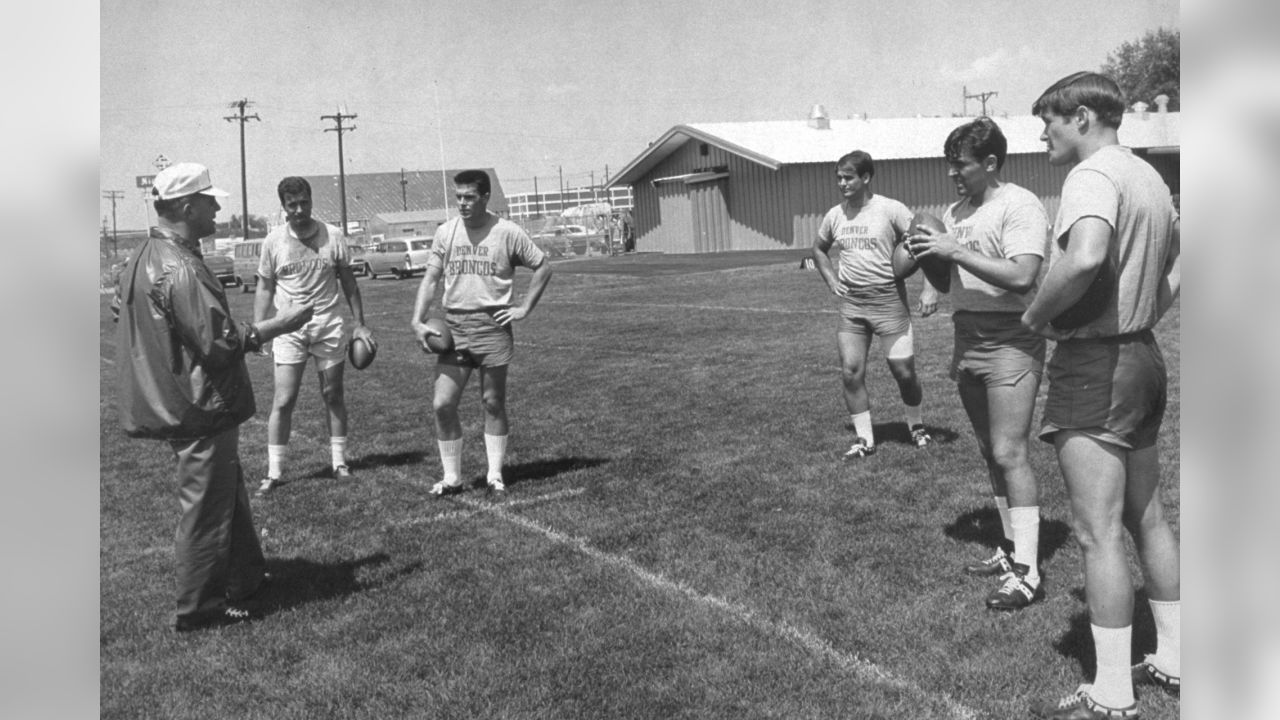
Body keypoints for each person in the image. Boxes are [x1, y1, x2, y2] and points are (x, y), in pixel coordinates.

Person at [1021, 72, 1181, 719]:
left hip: (1097, 362)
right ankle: (1175, 655)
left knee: (1096, 533)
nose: (1043, 134)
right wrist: (1142, 312)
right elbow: (1178, 268)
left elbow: (1085, 257)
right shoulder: (1150, 179)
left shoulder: (1092, 176)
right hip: (1142, 353)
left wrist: (1034, 317)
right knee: (1148, 517)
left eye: (1049, 122)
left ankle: (1112, 690)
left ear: (1082, 116)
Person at [113, 162, 313, 631]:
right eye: (209, 201)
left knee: (226, 493)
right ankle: (199, 610)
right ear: (186, 206)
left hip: (178, 400)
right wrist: (279, 324)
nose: (218, 208)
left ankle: (245, 578)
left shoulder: (145, 254)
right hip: (196, 406)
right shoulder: (180, 265)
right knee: (204, 510)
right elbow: (218, 343)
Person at [906, 117, 1050, 611]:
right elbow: (946, 280)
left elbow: (1023, 276)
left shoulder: (1019, 204)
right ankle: (1012, 549)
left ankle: (1029, 572)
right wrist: (927, 256)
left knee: (1011, 452)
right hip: (967, 336)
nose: (953, 174)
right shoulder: (955, 210)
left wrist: (953, 248)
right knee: (990, 450)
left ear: (989, 163)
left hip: (1013, 338)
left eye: (960, 165)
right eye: (949, 165)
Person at [411, 170, 553, 495]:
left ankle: (494, 474)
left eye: (469, 197)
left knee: (492, 402)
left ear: (486, 197)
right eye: (458, 196)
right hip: (454, 328)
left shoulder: (507, 232)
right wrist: (417, 320)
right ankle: (452, 478)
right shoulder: (446, 233)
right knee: (442, 404)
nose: (462, 203)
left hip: (492, 327)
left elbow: (543, 266)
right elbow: (431, 279)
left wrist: (523, 308)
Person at [253, 177, 375, 496]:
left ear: (311, 201)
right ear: (283, 207)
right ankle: (274, 472)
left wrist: (359, 324)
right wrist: (259, 331)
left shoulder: (331, 235)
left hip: (327, 322)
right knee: (283, 399)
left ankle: (339, 462)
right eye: (292, 205)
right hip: (288, 326)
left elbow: (349, 282)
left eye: (304, 202)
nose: (299, 209)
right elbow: (265, 286)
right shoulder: (273, 241)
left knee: (333, 393)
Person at [811, 150, 936, 459]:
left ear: (866, 177)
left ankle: (916, 425)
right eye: (838, 178)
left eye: (848, 177)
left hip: (889, 301)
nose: (842, 183)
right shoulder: (835, 215)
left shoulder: (890, 209)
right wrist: (831, 279)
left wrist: (930, 288)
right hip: (853, 305)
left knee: (904, 373)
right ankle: (865, 440)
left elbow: (926, 243)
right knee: (851, 372)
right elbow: (818, 249)